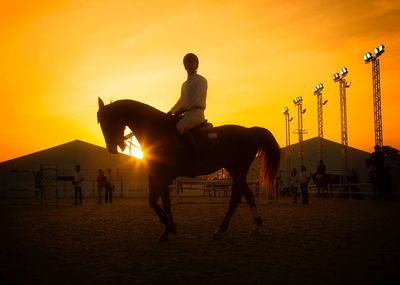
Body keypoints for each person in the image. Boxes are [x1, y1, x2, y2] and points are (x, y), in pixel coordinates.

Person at [168, 53, 208, 149]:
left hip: (196, 113)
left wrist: (182, 109)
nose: (189, 65)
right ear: (184, 65)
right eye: (187, 63)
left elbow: (197, 99)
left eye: (192, 63)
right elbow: (181, 100)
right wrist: (171, 111)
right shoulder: (184, 84)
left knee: (179, 127)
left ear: (196, 65)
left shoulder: (201, 80)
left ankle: (191, 151)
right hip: (186, 114)